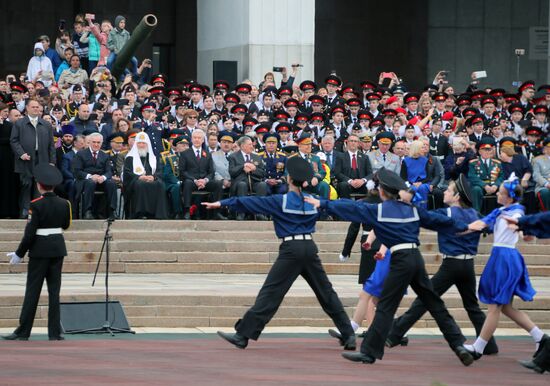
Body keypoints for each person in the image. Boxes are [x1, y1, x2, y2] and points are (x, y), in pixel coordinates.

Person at [304, 168, 476, 366]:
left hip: (400, 260)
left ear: (382, 192)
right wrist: (466, 226)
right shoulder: (413, 210)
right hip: (416, 259)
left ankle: (369, 352)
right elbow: (439, 221)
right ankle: (458, 345)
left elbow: (350, 207)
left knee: (385, 306)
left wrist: (322, 203)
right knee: (435, 304)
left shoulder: (378, 210)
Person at [203, 156, 356, 350]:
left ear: (289, 179)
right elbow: (338, 206)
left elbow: (250, 203)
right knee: (326, 293)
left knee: (271, 293)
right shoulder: (314, 200)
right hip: (309, 248)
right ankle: (349, 335)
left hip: (291, 250)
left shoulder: (280, 201)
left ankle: (243, 335)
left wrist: (222, 203)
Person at [385, 175, 498, 354]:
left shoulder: (445, 214)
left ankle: (394, 335)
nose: (444, 192)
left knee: (423, 300)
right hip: (468, 265)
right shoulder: (475, 214)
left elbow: (423, 216)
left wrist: (407, 201)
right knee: (472, 306)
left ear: (457, 197)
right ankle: (489, 345)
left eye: (449, 191)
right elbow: (491, 225)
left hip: (451, 266)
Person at [465, 174, 544, 360]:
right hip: (500, 256)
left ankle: (478, 347)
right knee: (506, 307)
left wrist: (521, 229)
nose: (498, 195)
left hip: (506, 258)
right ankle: (540, 337)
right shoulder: (500, 212)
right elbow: (480, 224)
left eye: (500, 193)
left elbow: (524, 230)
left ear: (509, 196)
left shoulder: (516, 213)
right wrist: (458, 228)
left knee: (495, 306)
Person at [2, 164, 71, 341]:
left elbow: (30, 233)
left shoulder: (36, 205)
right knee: (54, 293)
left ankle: (23, 331)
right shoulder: (65, 204)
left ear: (40, 185)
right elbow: (65, 225)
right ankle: (55, 333)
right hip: (57, 249)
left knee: (33, 291)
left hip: (40, 251)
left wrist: (19, 253)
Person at [10, 98, 56, 218]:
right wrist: (21, 154)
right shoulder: (20, 123)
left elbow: (51, 145)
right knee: (26, 185)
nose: (36, 109)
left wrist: (52, 162)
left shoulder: (46, 125)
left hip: (42, 159)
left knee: (40, 186)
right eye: (33, 107)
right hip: (25, 159)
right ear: (27, 109)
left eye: (38, 107)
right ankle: (25, 210)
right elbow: (14, 141)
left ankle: (36, 212)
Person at [179, 130, 224, 220]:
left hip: (204, 182)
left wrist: (205, 180)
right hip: (192, 181)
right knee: (187, 183)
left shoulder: (207, 154)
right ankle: (187, 211)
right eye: (195, 138)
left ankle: (217, 211)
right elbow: (183, 171)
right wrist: (195, 180)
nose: (197, 140)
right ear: (191, 139)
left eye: (199, 138)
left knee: (218, 183)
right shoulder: (185, 154)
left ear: (203, 140)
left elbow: (211, 172)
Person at [123, 132, 168, 219]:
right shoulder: (130, 158)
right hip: (136, 181)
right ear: (136, 144)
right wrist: (139, 177)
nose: (141, 145)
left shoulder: (153, 158)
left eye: (144, 143)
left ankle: (157, 214)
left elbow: (160, 171)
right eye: (139, 143)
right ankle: (140, 213)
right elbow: (127, 173)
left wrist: (153, 177)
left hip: (151, 180)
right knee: (140, 184)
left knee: (160, 184)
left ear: (147, 144)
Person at [72, 132, 117, 219]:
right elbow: (77, 171)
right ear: (89, 142)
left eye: (98, 142)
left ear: (101, 143)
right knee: (90, 182)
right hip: (85, 181)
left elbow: (109, 172)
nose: (96, 144)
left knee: (112, 184)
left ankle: (112, 211)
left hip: (101, 181)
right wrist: (90, 176)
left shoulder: (105, 155)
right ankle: (87, 211)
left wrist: (103, 177)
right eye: (94, 142)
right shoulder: (80, 154)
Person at [228, 135, 268, 220]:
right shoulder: (233, 156)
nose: (252, 146)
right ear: (242, 146)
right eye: (249, 144)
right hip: (240, 182)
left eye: (252, 144)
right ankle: (241, 212)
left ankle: (259, 213)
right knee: (242, 185)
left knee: (262, 185)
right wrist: (243, 166)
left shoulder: (256, 157)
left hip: (254, 182)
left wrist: (254, 169)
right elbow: (232, 172)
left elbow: (263, 173)